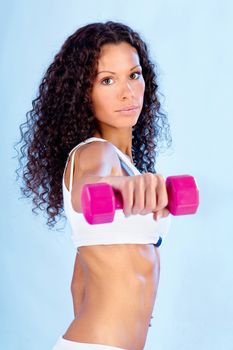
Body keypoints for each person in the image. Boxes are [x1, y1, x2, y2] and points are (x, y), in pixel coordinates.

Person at [17, 21, 172, 350]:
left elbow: (79, 282)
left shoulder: (126, 164)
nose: (127, 92)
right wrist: (119, 188)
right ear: (82, 93)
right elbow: (91, 186)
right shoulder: (94, 152)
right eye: (107, 80)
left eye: (134, 74)